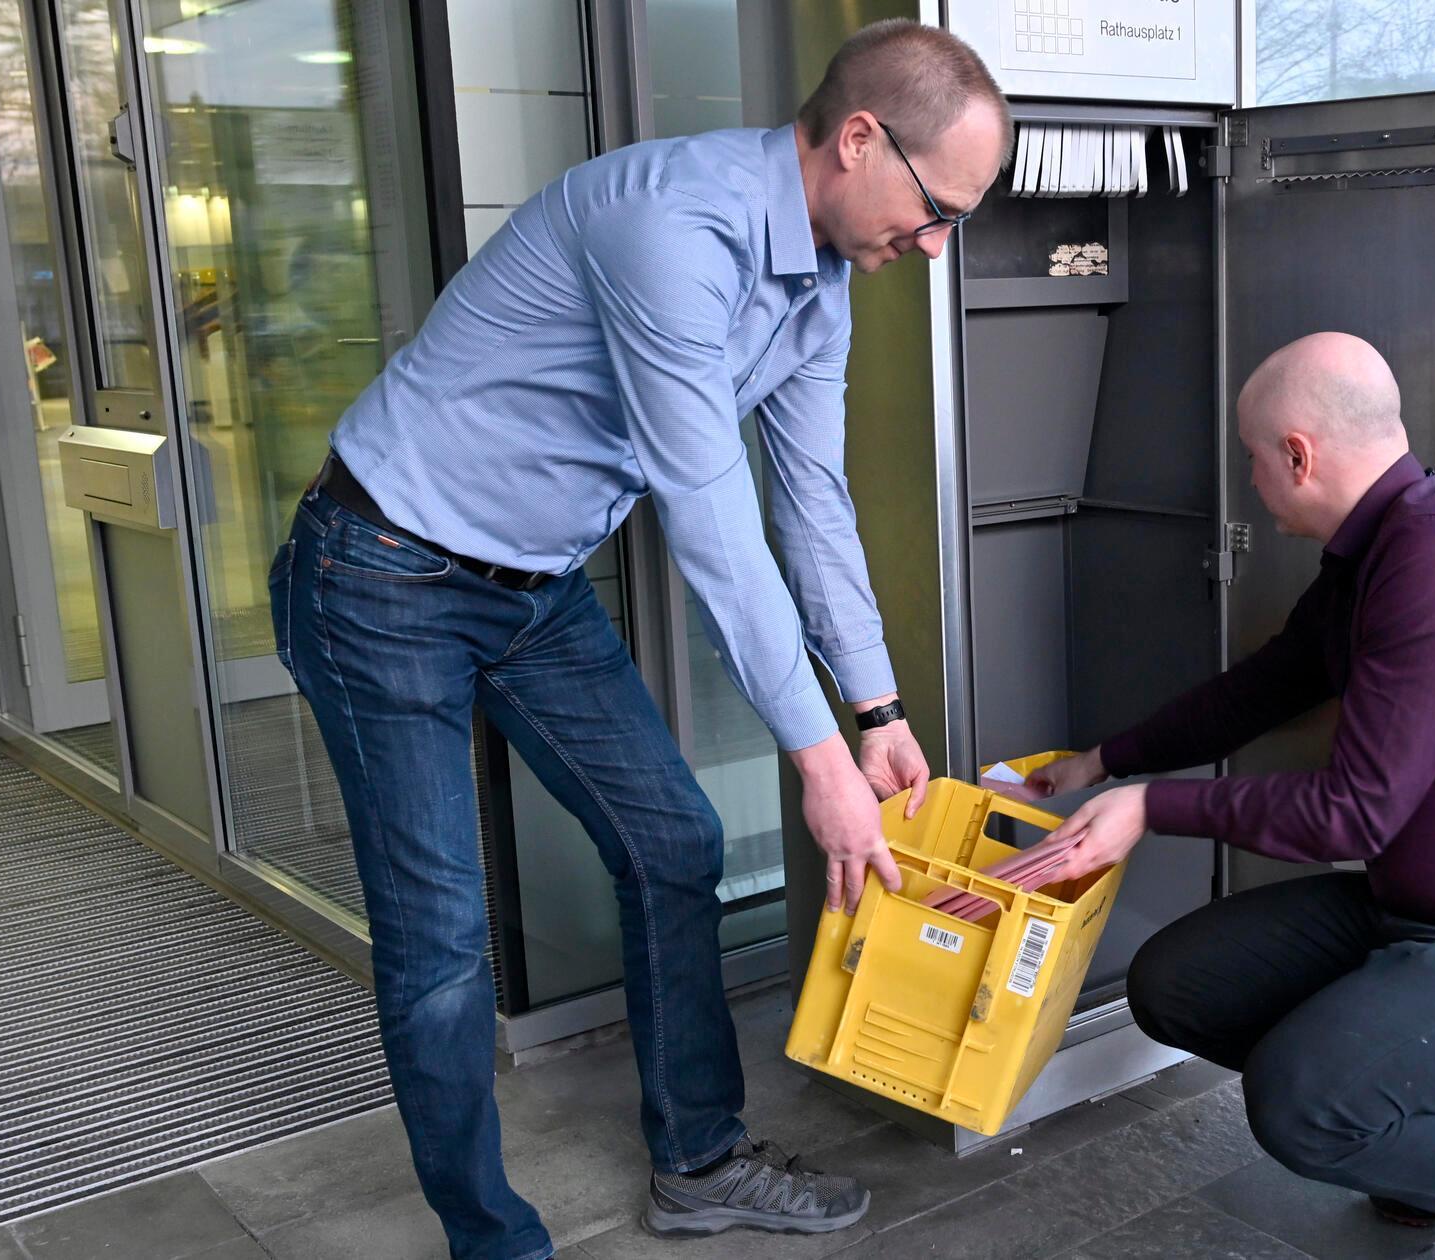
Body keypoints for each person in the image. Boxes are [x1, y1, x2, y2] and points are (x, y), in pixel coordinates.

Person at [267, 21, 1011, 1258]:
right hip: (381, 568)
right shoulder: (670, 227)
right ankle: (488, 1235)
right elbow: (710, 518)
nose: (933, 247)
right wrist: (820, 766)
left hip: (532, 586)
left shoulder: (819, 278)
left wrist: (874, 711)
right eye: (936, 210)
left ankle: (700, 1162)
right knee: (442, 940)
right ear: (858, 138)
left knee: (673, 842)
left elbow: (810, 504)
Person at [1018, 333, 1435, 1260]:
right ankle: (1431, 1141)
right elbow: (1262, 690)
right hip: (1422, 911)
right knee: (1178, 986)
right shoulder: (1376, 551)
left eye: (1253, 460)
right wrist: (1105, 761)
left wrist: (1151, 810)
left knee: (1303, 1101)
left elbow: (1352, 812)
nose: (1250, 481)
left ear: (1297, 453)